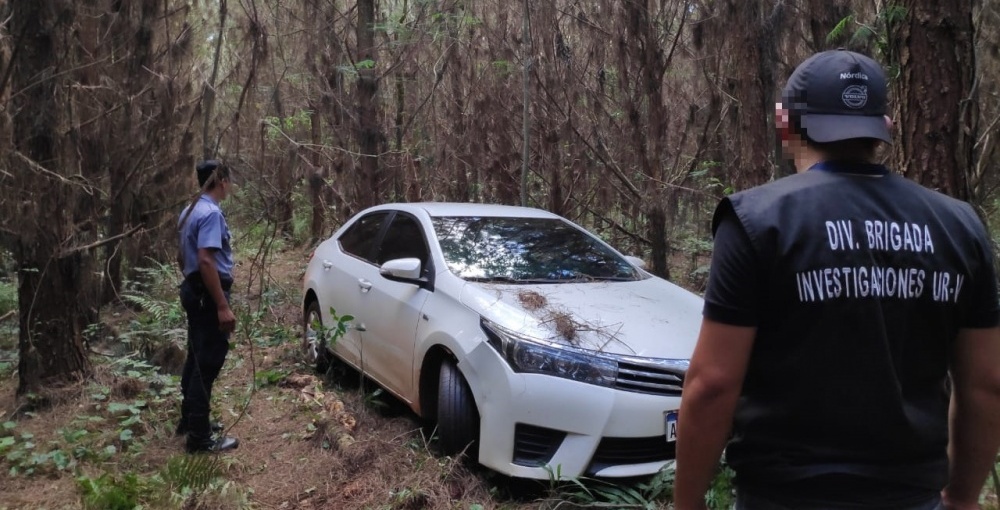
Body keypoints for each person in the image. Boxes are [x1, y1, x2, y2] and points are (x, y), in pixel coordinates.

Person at [674, 49, 1000, 509]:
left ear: (786, 125)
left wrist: (687, 504)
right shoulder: (960, 226)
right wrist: (964, 497)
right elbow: (986, 383)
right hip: (911, 497)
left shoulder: (757, 221)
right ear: (883, 129)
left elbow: (711, 385)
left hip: (784, 496)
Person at [176, 159, 239, 453]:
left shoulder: (189, 210)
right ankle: (199, 438)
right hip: (206, 294)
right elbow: (205, 259)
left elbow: (182, 257)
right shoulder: (210, 213)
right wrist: (222, 305)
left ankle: (191, 420)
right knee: (208, 361)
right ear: (221, 181)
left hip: (193, 289)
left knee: (196, 355)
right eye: (229, 180)